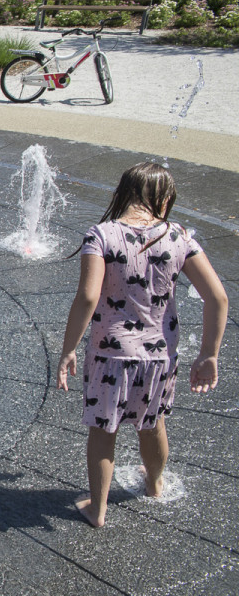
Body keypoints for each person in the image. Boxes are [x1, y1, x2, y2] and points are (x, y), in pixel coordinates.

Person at [56, 162, 228, 528]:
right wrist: (209, 354)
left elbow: (88, 297)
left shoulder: (101, 235)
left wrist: (69, 348)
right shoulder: (179, 236)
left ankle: (97, 510)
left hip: (110, 353)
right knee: (153, 423)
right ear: (164, 199)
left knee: (104, 431)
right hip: (159, 355)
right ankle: (154, 484)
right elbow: (218, 298)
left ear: (122, 193)